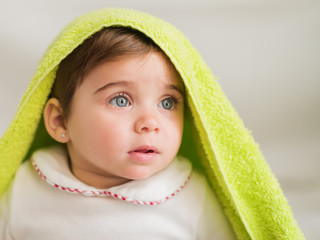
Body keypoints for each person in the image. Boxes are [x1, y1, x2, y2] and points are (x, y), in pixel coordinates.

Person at [0, 8, 304, 240]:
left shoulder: (190, 194)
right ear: (59, 120)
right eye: (121, 100)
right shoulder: (26, 188)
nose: (150, 123)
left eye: (167, 103)